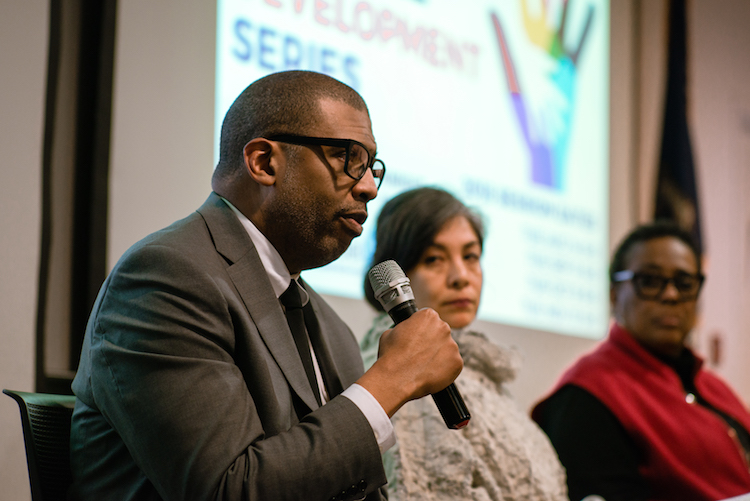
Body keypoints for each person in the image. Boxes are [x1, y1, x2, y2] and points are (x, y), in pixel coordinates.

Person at [68, 71, 464, 501]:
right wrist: (391, 380)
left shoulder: (331, 329)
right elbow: (228, 490)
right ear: (263, 162)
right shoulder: (166, 278)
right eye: (347, 157)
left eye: (371, 166)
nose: (368, 186)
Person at [360, 187, 568, 501]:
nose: (461, 276)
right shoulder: (399, 372)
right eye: (434, 259)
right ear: (399, 276)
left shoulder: (480, 368)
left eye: (470, 256)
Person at [532, 221, 750, 501]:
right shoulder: (586, 394)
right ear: (614, 294)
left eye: (684, 284)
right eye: (649, 281)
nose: (671, 295)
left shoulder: (713, 386)